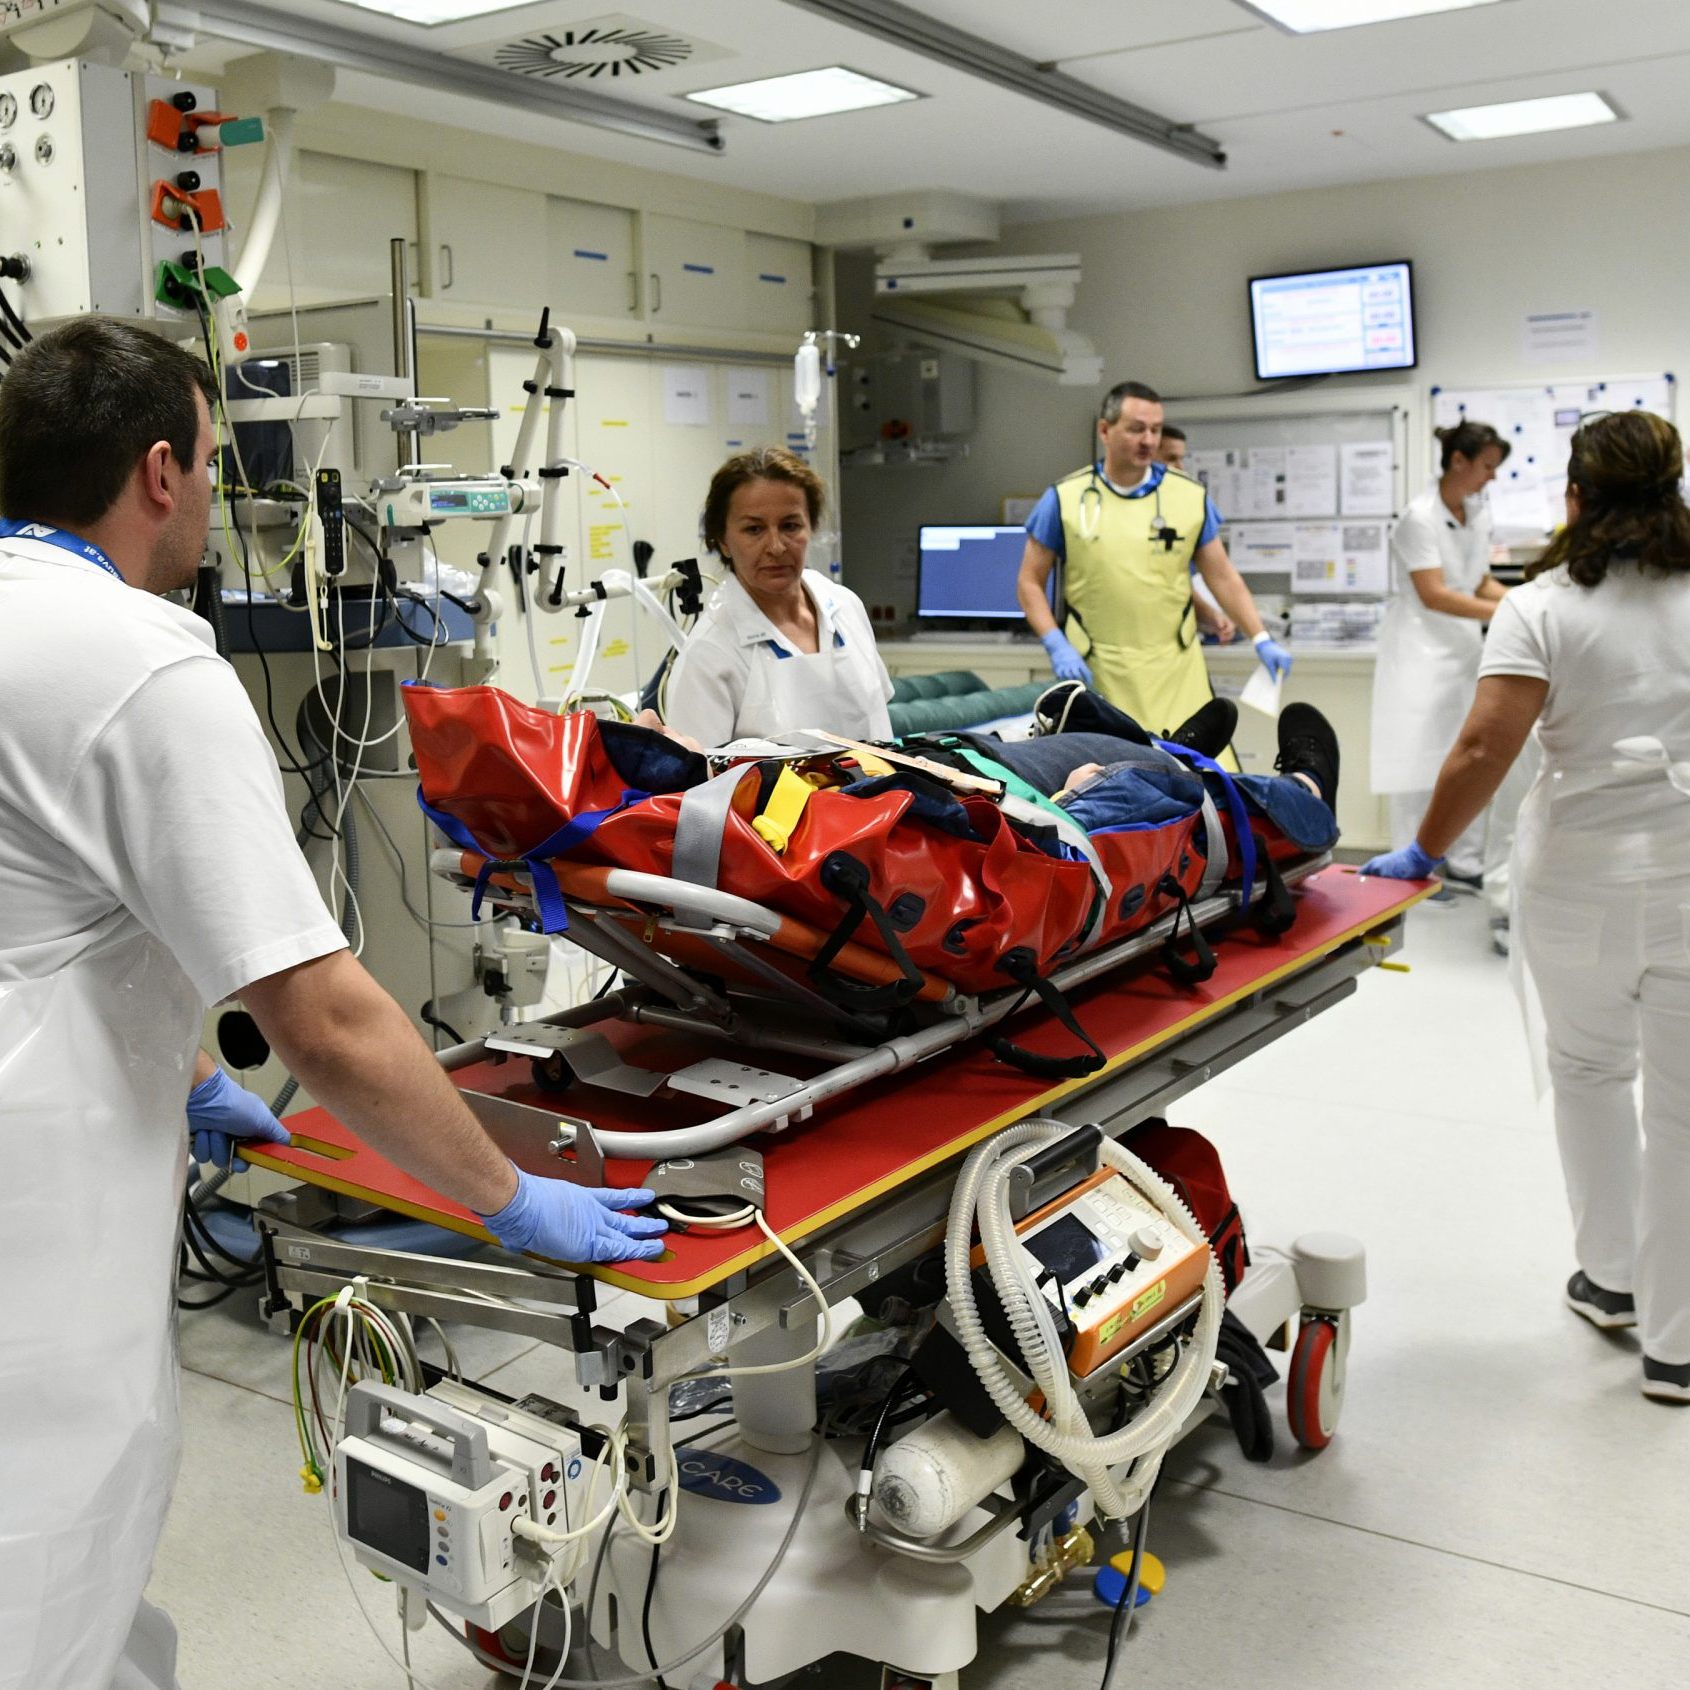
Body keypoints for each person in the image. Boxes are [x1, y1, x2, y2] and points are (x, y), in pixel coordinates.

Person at [0, 319, 667, 1690]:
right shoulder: (145, 659)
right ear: (162, 471)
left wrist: (185, 1077)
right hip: (36, 1262)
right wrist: (503, 1196)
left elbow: (34, 907)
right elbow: (325, 1016)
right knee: (45, 1584)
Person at [1361, 409, 1690, 1404]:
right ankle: (1676, 1347)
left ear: (1576, 498)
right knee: (1683, 1104)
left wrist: (1423, 849)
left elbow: (1479, 751)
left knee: (1589, 1070)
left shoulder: (1541, 604)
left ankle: (1614, 1282)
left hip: (1581, 875)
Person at [1016, 381, 1288, 750]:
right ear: (1104, 431)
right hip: (1099, 668)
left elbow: (1221, 575)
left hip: (1176, 671)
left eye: (1155, 430)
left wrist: (1260, 637)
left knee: (1197, 776)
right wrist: (1054, 642)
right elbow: (1030, 581)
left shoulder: (1188, 497)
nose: (1148, 440)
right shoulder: (1065, 498)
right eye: (1136, 428)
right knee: (1108, 776)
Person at [663, 446, 891, 745]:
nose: (776, 546)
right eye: (754, 529)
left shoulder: (845, 607)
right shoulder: (709, 652)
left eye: (790, 526)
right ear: (723, 541)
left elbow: (879, 721)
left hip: (887, 790)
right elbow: (696, 781)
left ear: (811, 527)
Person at [1370, 419, 1511, 890]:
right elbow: (1434, 593)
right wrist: (1503, 609)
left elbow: (1475, 581)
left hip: (1465, 651)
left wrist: (1523, 601)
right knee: (1418, 762)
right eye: (1487, 466)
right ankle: (1414, 869)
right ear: (1458, 460)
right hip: (1420, 654)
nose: (1491, 477)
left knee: (1465, 754)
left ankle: (1465, 863)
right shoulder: (1419, 517)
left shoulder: (1476, 511)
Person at [1159, 423, 1236, 645]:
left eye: (1181, 458)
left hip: (1183, 632)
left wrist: (1217, 616)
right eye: (1171, 458)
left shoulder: (1192, 503)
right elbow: (1166, 581)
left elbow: (1219, 576)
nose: (1180, 467)